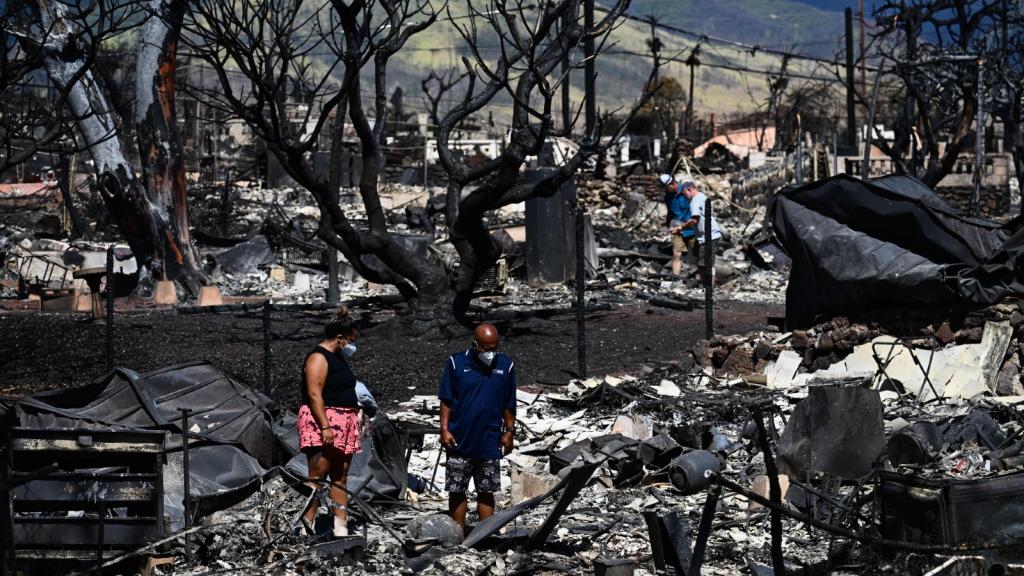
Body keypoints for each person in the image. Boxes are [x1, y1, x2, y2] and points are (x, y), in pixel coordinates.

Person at [438, 324, 517, 533]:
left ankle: (484, 535)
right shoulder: (456, 363)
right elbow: (446, 400)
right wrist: (444, 429)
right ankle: (458, 534)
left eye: (494, 348)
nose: (490, 354)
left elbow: (509, 404)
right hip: (459, 439)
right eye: (486, 349)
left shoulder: (506, 366)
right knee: (457, 490)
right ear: (475, 345)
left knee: (487, 490)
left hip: (489, 439)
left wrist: (509, 433)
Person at [296, 306, 363, 538]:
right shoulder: (318, 357)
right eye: (351, 340)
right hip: (324, 421)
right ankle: (306, 523)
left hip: (345, 421)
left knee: (340, 475)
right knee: (318, 474)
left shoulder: (338, 359)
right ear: (340, 338)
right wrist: (325, 426)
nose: (353, 345)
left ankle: (340, 526)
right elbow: (315, 394)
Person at [678, 182, 722, 287]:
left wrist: (680, 227)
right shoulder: (702, 196)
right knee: (702, 263)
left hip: (709, 235)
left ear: (689, 189)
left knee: (704, 264)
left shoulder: (695, 200)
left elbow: (694, 219)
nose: (685, 196)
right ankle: (708, 286)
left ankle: (709, 288)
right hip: (708, 235)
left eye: (684, 193)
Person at [659, 173, 696, 277]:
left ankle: (706, 277)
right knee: (676, 254)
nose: (665, 190)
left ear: (671, 184)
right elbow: (670, 211)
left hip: (692, 227)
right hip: (678, 228)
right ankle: (676, 277)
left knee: (699, 253)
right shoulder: (668, 197)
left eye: (666, 187)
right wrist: (667, 224)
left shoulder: (687, 189)